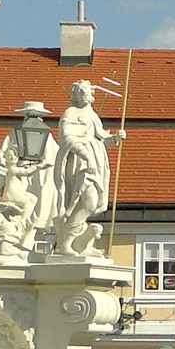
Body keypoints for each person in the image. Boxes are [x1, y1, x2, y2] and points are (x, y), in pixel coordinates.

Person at [51, 79, 125, 256]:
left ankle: (79, 244)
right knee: (87, 202)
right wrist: (87, 157)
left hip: (96, 162)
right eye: (81, 92)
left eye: (87, 91)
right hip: (80, 164)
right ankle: (66, 243)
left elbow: (101, 138)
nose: (86, 95)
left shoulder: (93, 115)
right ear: (75, 95)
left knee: (90, 204)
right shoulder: (70, 113)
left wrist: (115, 138)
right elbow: (66, 139)